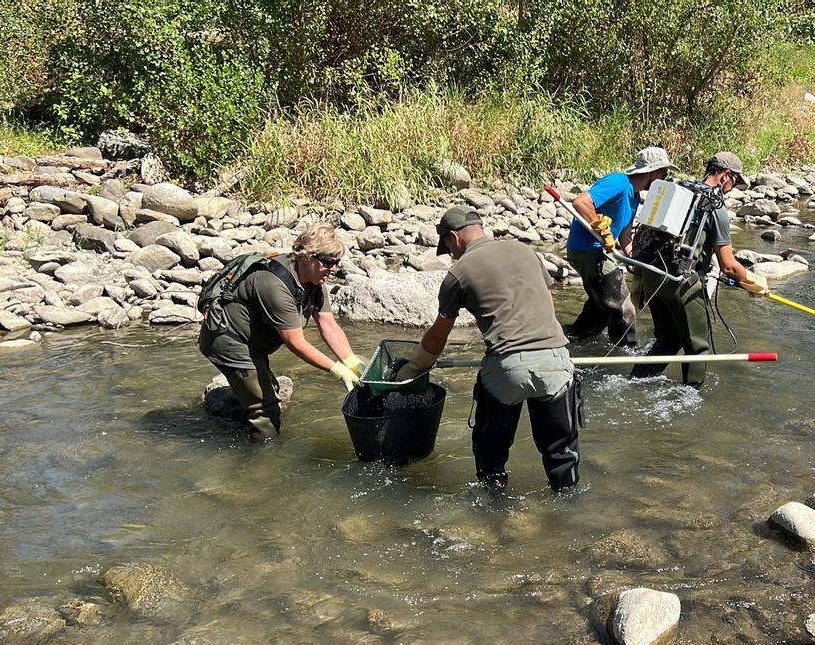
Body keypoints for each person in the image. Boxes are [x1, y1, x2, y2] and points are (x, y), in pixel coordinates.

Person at [395, 206, 582, 491]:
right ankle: (570, 511)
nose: (452, 255)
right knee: (562, 454)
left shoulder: (458, 273)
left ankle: (495, 517)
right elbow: (548, 307)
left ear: (453, 238)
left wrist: (413, 368)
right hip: (555, 362)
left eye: (448, 248)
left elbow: (437, 340)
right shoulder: (525, 251)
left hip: (507, 369)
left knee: (491, 455)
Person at [199, 223, 366, 441]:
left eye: (337, 262)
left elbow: (328, 324)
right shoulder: (274, 284)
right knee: (267, 412)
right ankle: (260, 462)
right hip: (229, 340)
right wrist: (337, 370)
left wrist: (351, 361)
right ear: (307, 257)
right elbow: (295, 342)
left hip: (254, 340)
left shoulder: (314, 279)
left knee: (268, 392)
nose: (334, 268)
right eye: (328, 262)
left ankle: (237, 421)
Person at [629, 152, 769, 387]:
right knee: (698, 346)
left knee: (668, 340)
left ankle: (635, 382)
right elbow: (728, 266)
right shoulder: (714, 208)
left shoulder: (678, 192)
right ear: (725, 175)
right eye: (734, 181)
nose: (732, 189)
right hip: (680, 282)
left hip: (651, 275)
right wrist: (754, 283)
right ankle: (691, 397)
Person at [563, 146, 678, 347]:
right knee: (624, 307)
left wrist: (637, 262)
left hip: (599, 251)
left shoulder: (634, 196)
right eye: (663, 172)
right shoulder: (618, 182)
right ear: (653, 172)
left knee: (601, 307)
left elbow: (626, 237)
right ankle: (627, 353)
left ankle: (572, 340)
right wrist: (600, 229)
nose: (665, 177)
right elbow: (581, 203)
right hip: (587, 249)